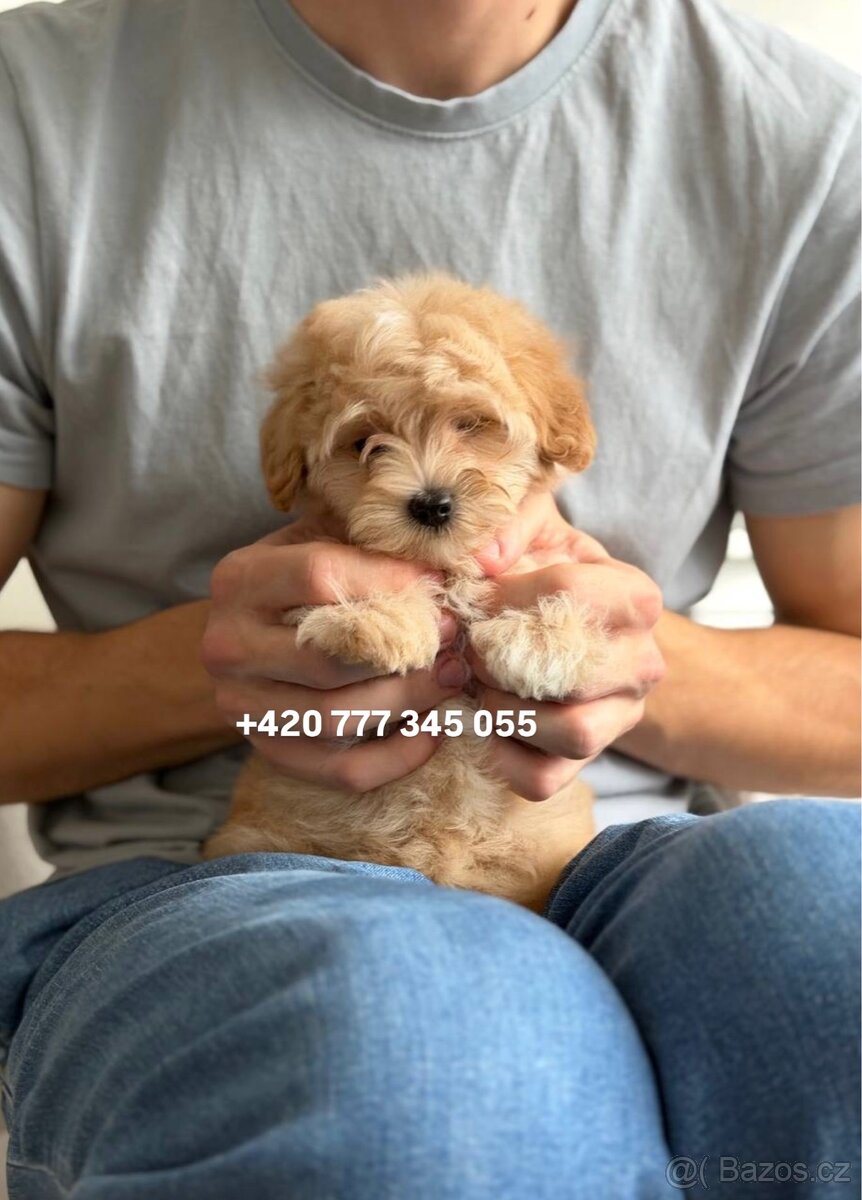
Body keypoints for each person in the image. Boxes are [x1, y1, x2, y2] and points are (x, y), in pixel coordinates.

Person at [0, 0, 858, 1196]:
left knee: (837, 925)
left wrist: (612, 653)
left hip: (620, 847)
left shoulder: (802, 131)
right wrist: (222, 667)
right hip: (216, 878)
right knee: (426, 1064)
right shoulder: (30, 105)